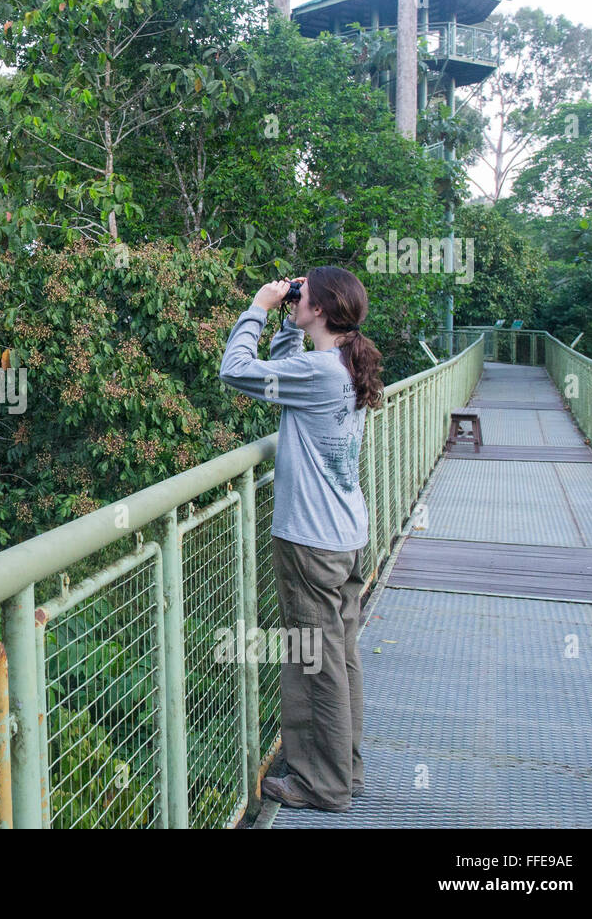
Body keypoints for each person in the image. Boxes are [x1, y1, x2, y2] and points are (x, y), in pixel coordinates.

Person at [217, 265, 384, 812]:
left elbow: (236, 370)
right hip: (346, 534)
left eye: (301, 295)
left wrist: (261, 307)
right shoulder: (338, 364)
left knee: (313, 659)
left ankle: (322, 785)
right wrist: (290, 318)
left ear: (320, 308)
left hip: (311, 540)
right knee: (340, 655)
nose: (295, 297)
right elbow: (287, 369)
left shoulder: (320, 372)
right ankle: (346, 771)